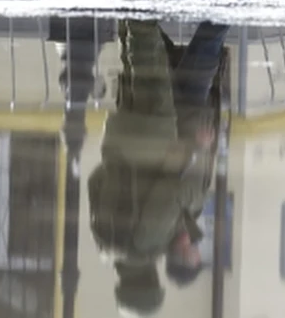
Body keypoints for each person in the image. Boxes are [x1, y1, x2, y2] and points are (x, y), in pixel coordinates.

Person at [86, 19, 221, 315]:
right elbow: (94, 180)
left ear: (150, 283)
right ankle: (126, 12)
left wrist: (195, 189)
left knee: (149, 60)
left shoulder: (147, 245)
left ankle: (138, 7)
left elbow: (172, 192)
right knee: (132, 66)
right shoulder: (103, 241)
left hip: (154, 138)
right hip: (118, 139)